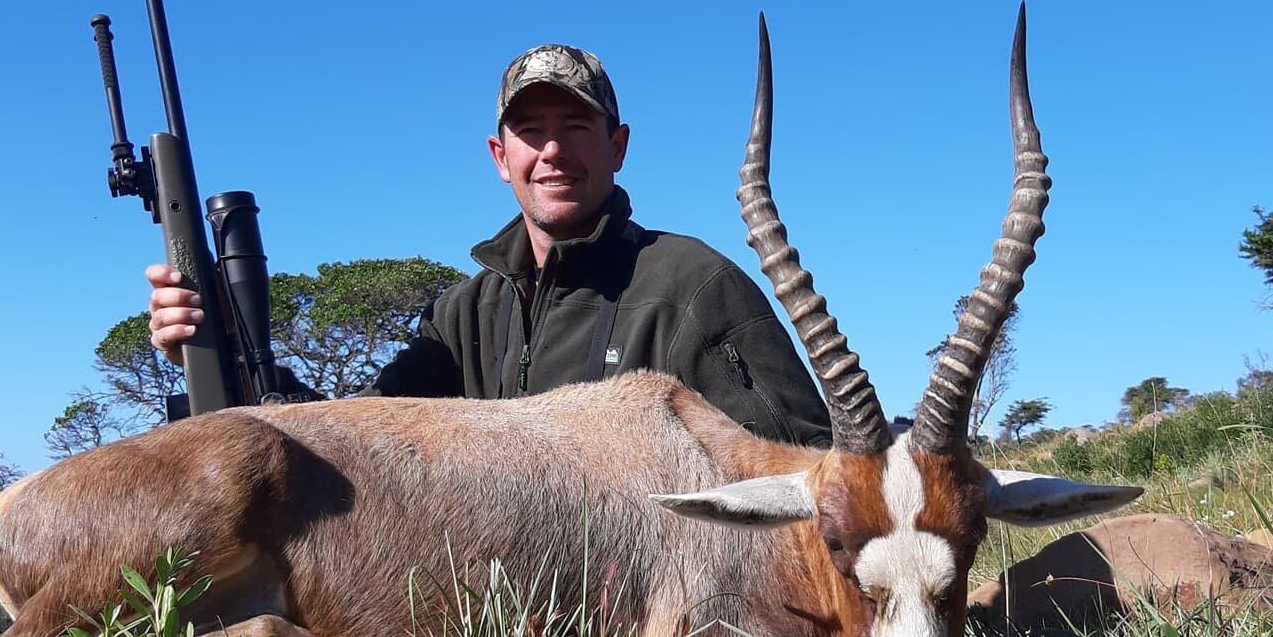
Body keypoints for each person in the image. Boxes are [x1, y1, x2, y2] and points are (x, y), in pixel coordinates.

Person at [147, 43, 833, 446]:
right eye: (531, 131)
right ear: (500, 156)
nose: (554, 150)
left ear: (618, 147)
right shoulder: (461, 315)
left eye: (577, 126)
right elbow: (355, 434)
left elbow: (806, 470)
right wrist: (221, 356)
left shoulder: (694, 284)